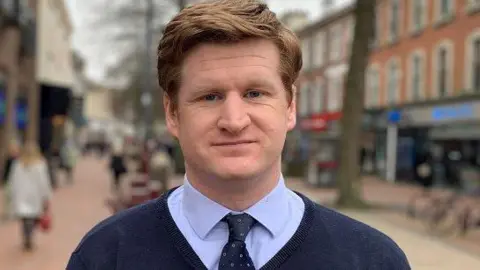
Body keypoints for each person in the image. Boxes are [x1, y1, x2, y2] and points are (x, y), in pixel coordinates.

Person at [67, 1, 410, 269]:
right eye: (209, 96)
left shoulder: (372, 260)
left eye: (255, 93)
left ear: (290, 107)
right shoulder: (105, 256)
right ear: (173, 114)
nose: (234, 120)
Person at [9, 141, 52, 251]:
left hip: (22, 195)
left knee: (24, 219)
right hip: (34, 196)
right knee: (32, 218)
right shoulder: (40, 164)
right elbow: (44, 182)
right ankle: (29, 236)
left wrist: (13, 195)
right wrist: (46, 196)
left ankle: (26, 236)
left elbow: (13, 181)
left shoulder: (18, 164)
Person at [1, 140, 20, 221]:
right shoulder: (8, 159)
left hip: (16, 182)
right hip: (8, 181)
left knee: (15, 198)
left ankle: (15, 212)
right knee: (7, 198)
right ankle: (8, 213)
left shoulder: (19, 161)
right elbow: (5, 172)